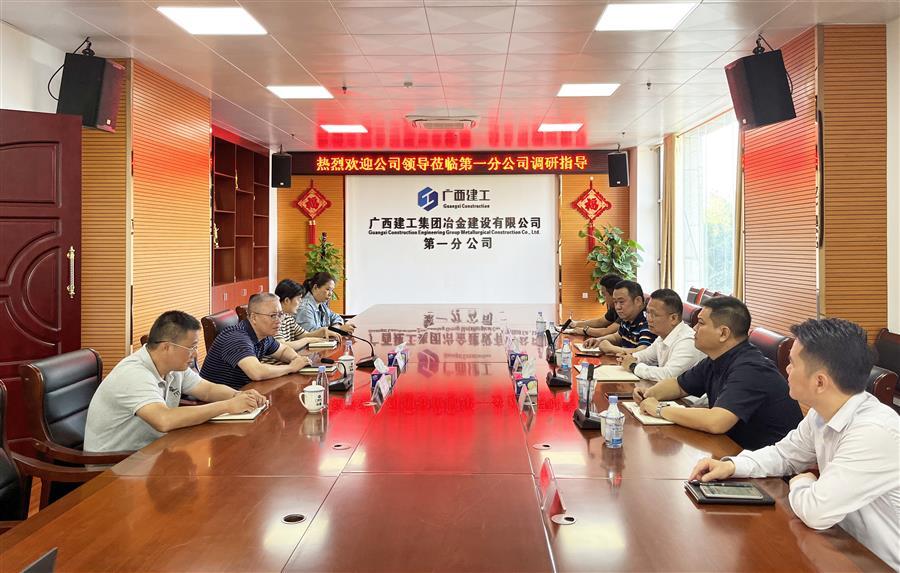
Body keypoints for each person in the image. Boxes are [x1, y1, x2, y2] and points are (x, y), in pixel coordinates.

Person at [689, 318, 899, 570]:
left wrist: (801, 481)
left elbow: (816, 512)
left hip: (880, 563)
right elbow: (784, 455)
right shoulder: (821, 413)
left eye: (792, 363)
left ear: (820, 382)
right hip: (841, 547)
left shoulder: (874, 432)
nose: (786, 369)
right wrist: (733, 466)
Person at [84, 311, 267, 453]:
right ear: (167, 347)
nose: (195, 354)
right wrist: (227, 405)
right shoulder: (134, 374)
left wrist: (239, 395)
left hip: (151, 451)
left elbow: (206, 390)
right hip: (113, 466)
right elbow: (164, 420)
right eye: (192, 347)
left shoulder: (173, 367)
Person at [633, 296, 802, 450]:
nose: (694, 328)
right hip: (735, 450)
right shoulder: (716, 359)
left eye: (701, 323)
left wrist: (659, 409)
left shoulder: (751, 369)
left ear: (723, 333)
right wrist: (649, 394)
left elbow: (716, 422)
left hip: (772, 466)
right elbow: (678, 385)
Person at [200, 292, 311, 390]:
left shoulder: (264, 335)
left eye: (280, 315)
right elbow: (257, 372)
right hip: (217, 400)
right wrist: (291, 367)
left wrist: (296, 359)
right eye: (273, 316)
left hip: (242, 393)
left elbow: (283, 350)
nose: (279, 321)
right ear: (253, 317)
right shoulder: (236, 337)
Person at [619, 289, 705, 381]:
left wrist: (633, 366)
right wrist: (629, 358)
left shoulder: (688, 341)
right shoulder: (663, 335)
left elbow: (668, 376)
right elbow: (646, 356)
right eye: (647, 313)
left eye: (654, 315)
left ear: (673, 318)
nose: (648, 319)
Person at [262, 278, 341, 364]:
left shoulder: (287, 317)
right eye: (299, 298)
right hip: (275, 367)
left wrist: (322, 331)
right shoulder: (274, 320)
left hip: (288, 364)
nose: (301, 302)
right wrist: (307, 340)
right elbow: (282, 346)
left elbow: (304, 335)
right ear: (287, 300)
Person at [583, 280, 656, 354]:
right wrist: (598, 340)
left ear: (638, 301)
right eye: (615, 302)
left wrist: (611, 349)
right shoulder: (627, 318)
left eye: (621, 302)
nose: (617, 307)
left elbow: (643, 352)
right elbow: (617, 337)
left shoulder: (648, 322)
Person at [568, 273, 622, 338]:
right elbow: (600, 322)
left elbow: (606, 332)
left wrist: (585, 330)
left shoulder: (624, 310)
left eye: (604, 294)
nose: (604, 298)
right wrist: (576, 324)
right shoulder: (614, 307)